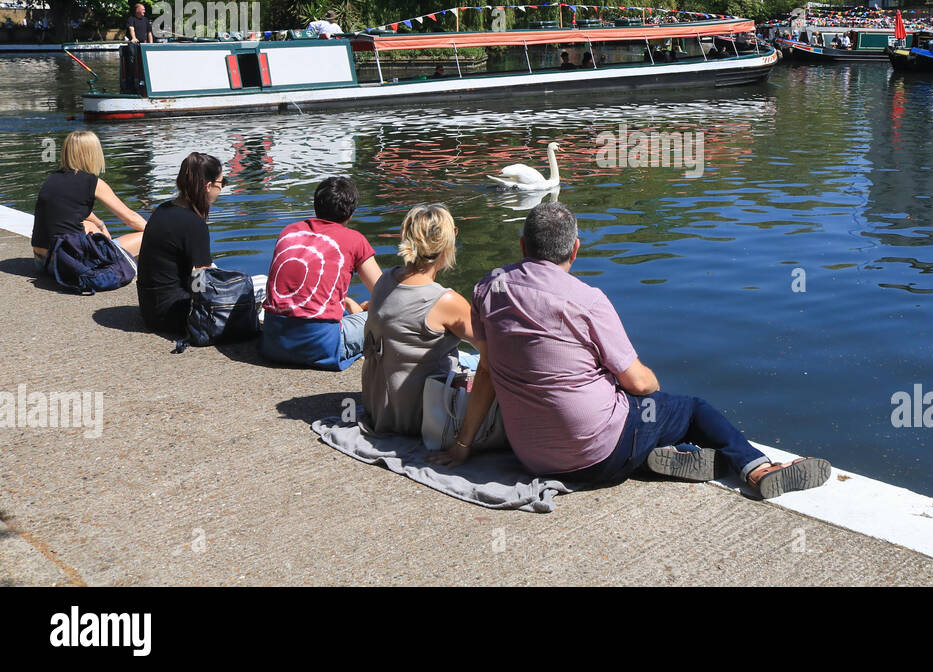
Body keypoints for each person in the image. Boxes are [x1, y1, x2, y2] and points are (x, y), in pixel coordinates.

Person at [434, 203, 830, 500]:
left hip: (531, 456)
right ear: (575, 250)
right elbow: (639, 382)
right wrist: (649, 387)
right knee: (689, 409)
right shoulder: (586, 300)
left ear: (522, 246)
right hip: (596, 456)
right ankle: (758, 469)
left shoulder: (489, 288)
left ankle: (665, 455)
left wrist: (462, 445)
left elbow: (486, 371)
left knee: (633, 416)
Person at [361, 204, 480, 435]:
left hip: (380, 409)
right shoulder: (445, 300)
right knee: (483, 358)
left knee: (465, 356)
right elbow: (494, 351)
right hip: (423, 417)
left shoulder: (384, 281)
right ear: (448, 242)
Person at [261, 177, 380, 370]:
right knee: (383, 316)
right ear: (351, 213)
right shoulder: (354, 240)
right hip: (322, 346)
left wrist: (347, 301)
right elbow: (387, 293)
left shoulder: (289, 231)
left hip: (273, 343)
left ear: (316, 205)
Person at [137, 152, 225, 335]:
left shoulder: (162, 210)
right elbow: (200, 279)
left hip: (149, 309)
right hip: (173, 315)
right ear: (208, 186)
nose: (222, 189)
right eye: (221, 183)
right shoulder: (194, 224)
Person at [31, 131, 147, 270]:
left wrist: (100, 224)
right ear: (93, 154)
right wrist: (165, 233)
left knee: (89, 226)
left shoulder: (52, 179)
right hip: (67, 265)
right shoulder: (93, 182)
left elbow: (72, 210)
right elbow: (131, 218)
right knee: (147, 235)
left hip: (41, 262)